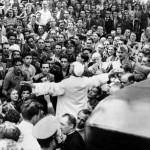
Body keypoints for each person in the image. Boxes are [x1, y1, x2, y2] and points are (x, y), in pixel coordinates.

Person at [30, 62, 109, 120]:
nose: (69, 67)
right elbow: (97, 79)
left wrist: (32, 85)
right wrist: (109, 74)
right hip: (80, 115)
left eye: (71, 67)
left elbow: (51, 87)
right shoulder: (86, 81)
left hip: (66, 116)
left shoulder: (66, 83)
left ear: (73, 70)